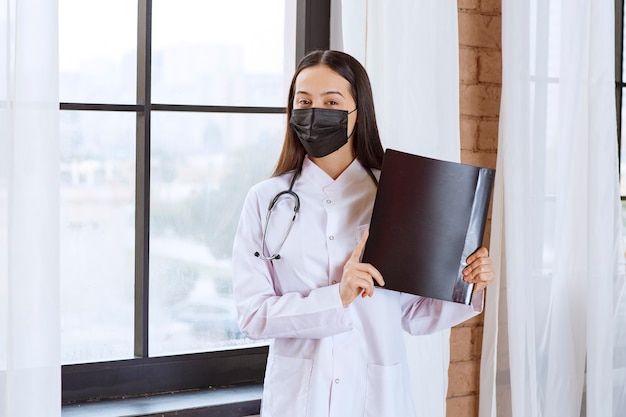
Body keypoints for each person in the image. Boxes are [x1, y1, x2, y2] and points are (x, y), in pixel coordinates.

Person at [232, 49, 494, 417]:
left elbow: (413, 316)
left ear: (358, 112)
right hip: (298, 398)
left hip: (376, 397)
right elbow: (253, 316)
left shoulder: (399, 194)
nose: (314, 112)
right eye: (304, 101)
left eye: (331, 101)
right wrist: (337, 296)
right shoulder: (265, 201)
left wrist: (467, 284)